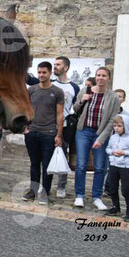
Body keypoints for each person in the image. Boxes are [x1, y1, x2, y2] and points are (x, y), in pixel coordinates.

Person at [72, 66, 120, 210]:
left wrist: (102, 138)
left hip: (100, 133)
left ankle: (96, 197)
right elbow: (75, 109)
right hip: (83, 131)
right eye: (98, 75)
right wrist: (82, 101)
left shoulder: (113, 97)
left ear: (108, 78)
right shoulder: (85, 90)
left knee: (100, 167)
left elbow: (112, 120)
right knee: (81, 165)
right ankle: (79, 195)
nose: (100, 78)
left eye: (104, 76)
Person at [23, 62, 64, 205]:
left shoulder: (57, 92)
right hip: (32, 132)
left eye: (44, 72)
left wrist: (59, 135)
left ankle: (45, 192)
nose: (41, 75)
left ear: (50, 73)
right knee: (34, 164)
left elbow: (60, 114)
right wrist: (25, 127)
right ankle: (33, 191)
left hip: (49, 134)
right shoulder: (31, 90)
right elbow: (25, 109)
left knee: (47, 165)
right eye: (39, 72)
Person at [51, 56, 80, 198]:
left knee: (62, 155)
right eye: (54, 64)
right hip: (48, 125)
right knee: (46, 156)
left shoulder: (74, 87)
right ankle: (45, 184)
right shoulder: (50, 83)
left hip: (65, 126)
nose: (55, 66)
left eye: (58, 64)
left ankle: (61, 186)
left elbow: (75, 107)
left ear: (66, 67)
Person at [104, 115, 129, 220]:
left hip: (126, 166)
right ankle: (116, 206)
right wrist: (112, 152)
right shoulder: (113, 137)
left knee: (126, 190)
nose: (116, 128)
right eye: (115, 126)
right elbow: (107, 148)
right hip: (114, 165)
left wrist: (124, 152)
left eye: (119, 126)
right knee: (112, 187)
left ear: (126, 126)